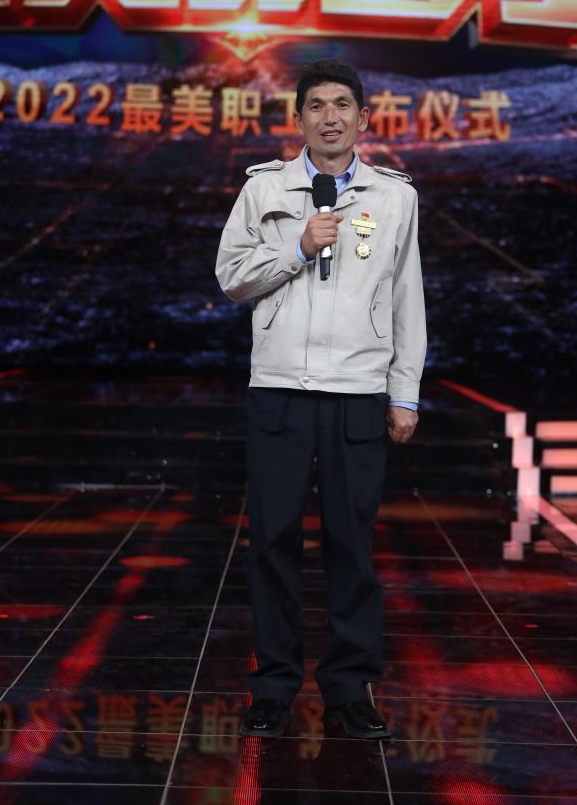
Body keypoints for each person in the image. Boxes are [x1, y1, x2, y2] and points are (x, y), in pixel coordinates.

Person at [215, 58, 427, 739]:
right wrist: (296, 248)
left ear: (363, 117)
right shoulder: (264, 188)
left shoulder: (394, 197)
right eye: (316, 105)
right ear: (299, 117)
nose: (329, 117)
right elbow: (231, 276)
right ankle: (273, 687)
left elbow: (407, 299)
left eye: (341, 105)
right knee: (272, 541)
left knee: (351, 546)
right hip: (280, 389)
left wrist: (404, 393)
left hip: (358, 392)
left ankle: (349, 689)